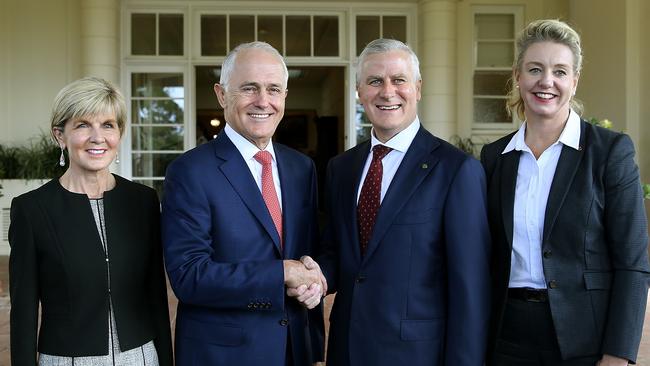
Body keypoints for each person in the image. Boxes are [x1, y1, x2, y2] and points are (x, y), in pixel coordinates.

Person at [310, 38, 491, 365]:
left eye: (399, 80)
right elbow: (340, 253)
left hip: (418, 354)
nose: (387, 91)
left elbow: (470, 291)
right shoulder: (342, 169)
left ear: (418, 89)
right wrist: (317, 274)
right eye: (375, 81)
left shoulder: (456, 171)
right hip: (348, 349)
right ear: (359, 91)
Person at [480, 19, 650, 366]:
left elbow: (633, 263)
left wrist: (618, 355)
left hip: (584, 339)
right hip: (506, 337)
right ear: (518, 76)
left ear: (574, 81)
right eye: (535, 69)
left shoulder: (609, 152)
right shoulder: (495, 158)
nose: (547, 81)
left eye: (560, 71)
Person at [161, 41, 325, 366]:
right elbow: (189, 276)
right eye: (249, 88)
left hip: (295, 348)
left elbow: (312, 252)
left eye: (273, 89)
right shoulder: (190, 171)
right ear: (222, 95)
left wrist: (316, 281)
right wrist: (279, 273)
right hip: (224, 353)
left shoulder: (301, 168)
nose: (263, 101)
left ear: (285, 97)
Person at [9, 77, 173, 366]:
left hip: (141, 357)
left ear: (119, 133)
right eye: (83, 125)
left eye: (108, 125)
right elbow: (23, 312)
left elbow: (156, 297)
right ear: (60, 135)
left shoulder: (143, 201)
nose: (98, 137)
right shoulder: (32, 209)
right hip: (67, 360)